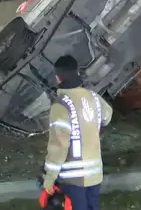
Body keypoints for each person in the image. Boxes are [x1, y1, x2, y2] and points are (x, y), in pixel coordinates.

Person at [40, 55, 113, 210]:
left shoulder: (61, 106)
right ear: (77, 73)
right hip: (95, 176)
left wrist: (49, 179)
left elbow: (58, 147)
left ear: (58, 78)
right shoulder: (94, 97)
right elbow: (107, 116)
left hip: (73, 179)